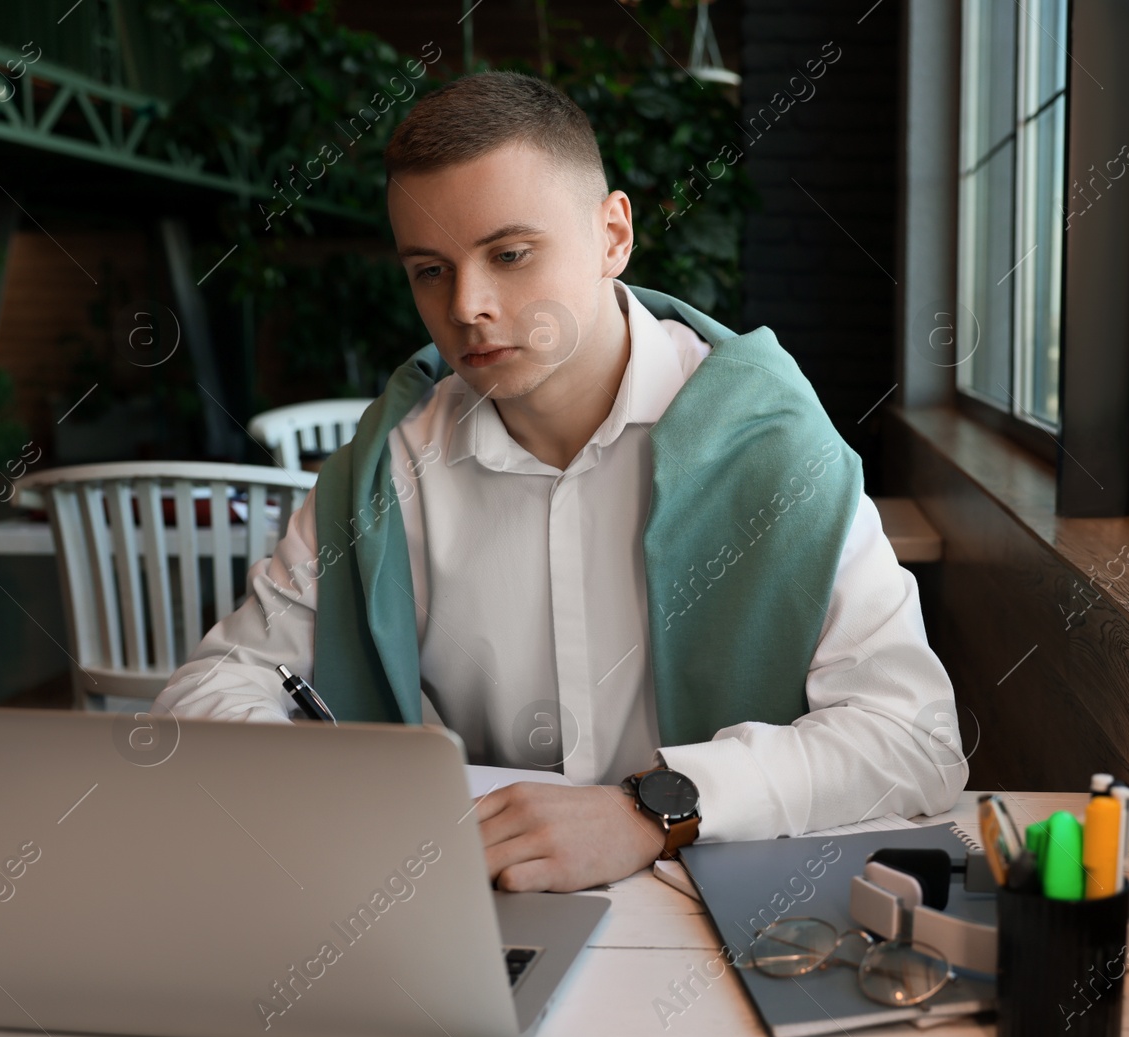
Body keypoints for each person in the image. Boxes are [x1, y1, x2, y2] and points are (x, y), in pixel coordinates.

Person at [156, 71, 965, 893]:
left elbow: (918, 741)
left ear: (614, 235)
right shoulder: (383, 469)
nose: (468, 304)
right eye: (430, 270)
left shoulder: (774, 445)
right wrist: (338, 791)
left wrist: (654, 808)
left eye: (509, 254)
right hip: (476, 912)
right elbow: (211, 687)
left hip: (725, 918)